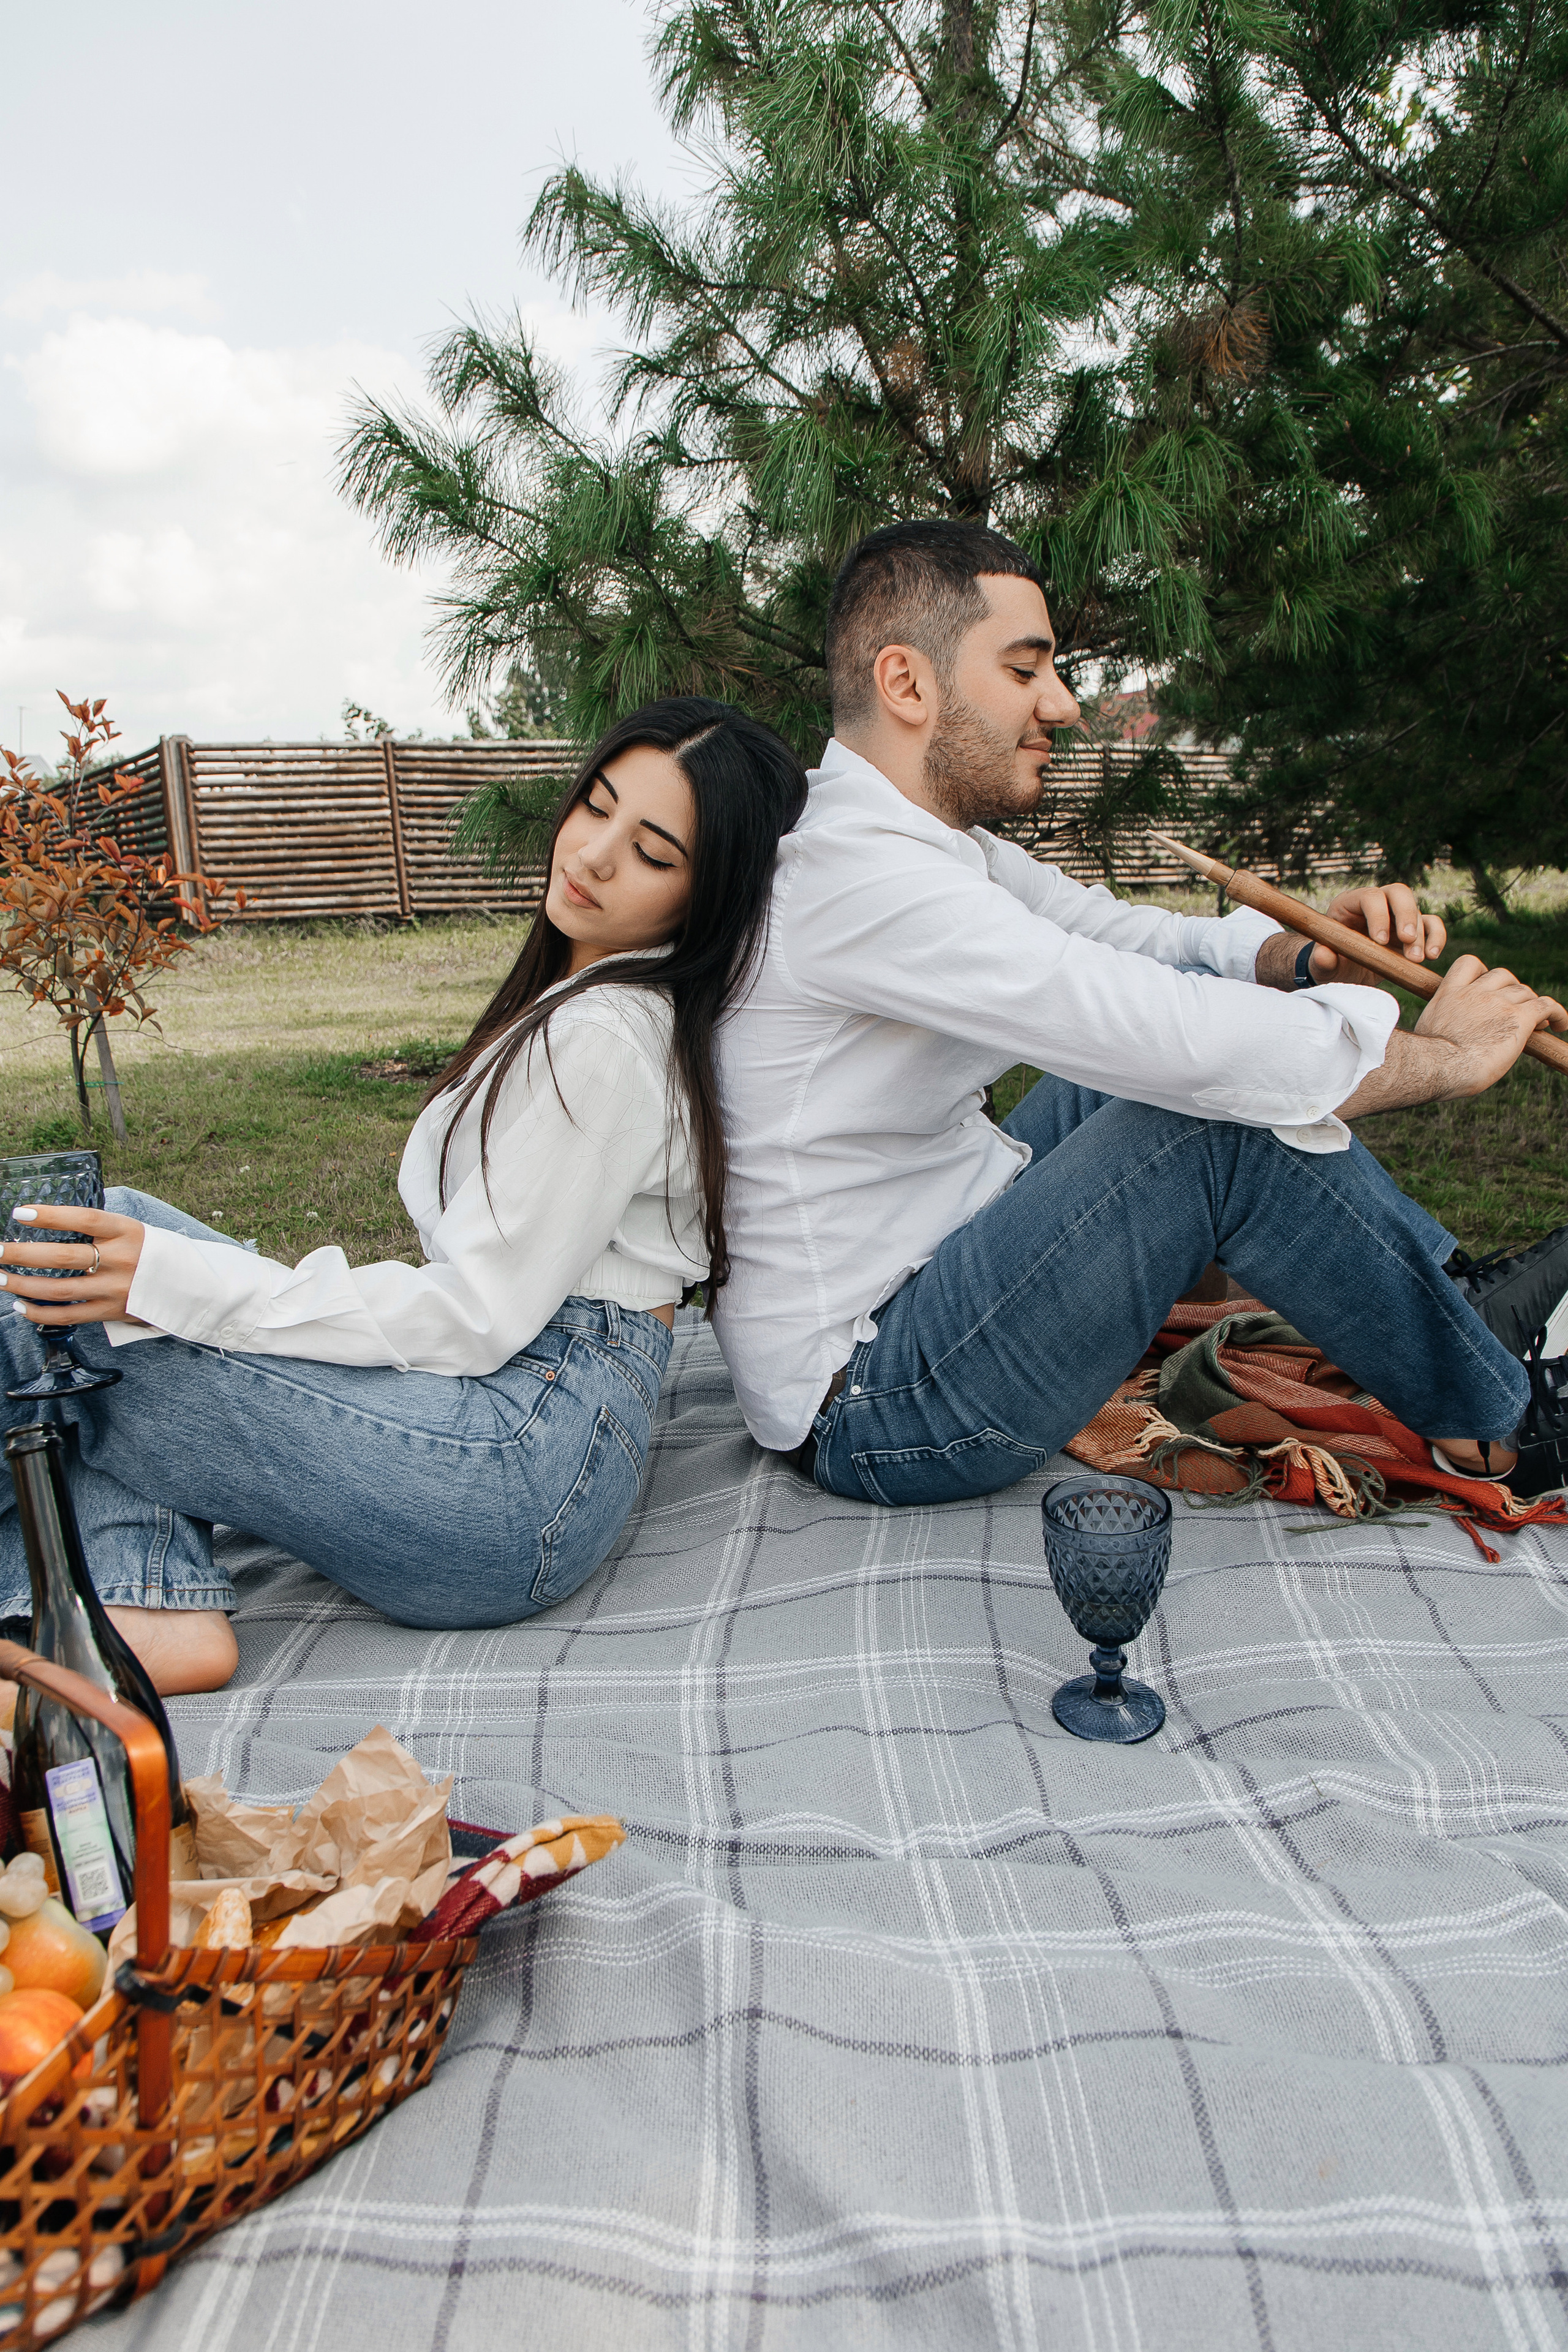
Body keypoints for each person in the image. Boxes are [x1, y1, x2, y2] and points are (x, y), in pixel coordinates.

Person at [711, 519, 1568, 1510]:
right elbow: (1181, 1042)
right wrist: (1444, 1057)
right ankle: (1499, 1411)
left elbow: (1129, 939)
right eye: (1026, 669)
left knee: (1119, 1082)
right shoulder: (863, 881)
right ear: (907, 684)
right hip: (878, 1402)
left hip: (932, 1264)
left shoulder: (918, 842)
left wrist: (1303, 953)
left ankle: (1453, 1302)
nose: (1064, 706)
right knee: (1206, 1118)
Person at [0, 698, 807, 1694]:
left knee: (59, 1312)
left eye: (651, 852)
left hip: (518, 1474)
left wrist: (176, 1285)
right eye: (594, 807)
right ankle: (142, 1596)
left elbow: (472, 1317)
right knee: (85, 1240)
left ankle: (132, 1591)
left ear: (706, 894)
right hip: (529, 1425)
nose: (593, 855)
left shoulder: (604, 1037)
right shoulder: (582, 1003)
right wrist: (168, 1277)